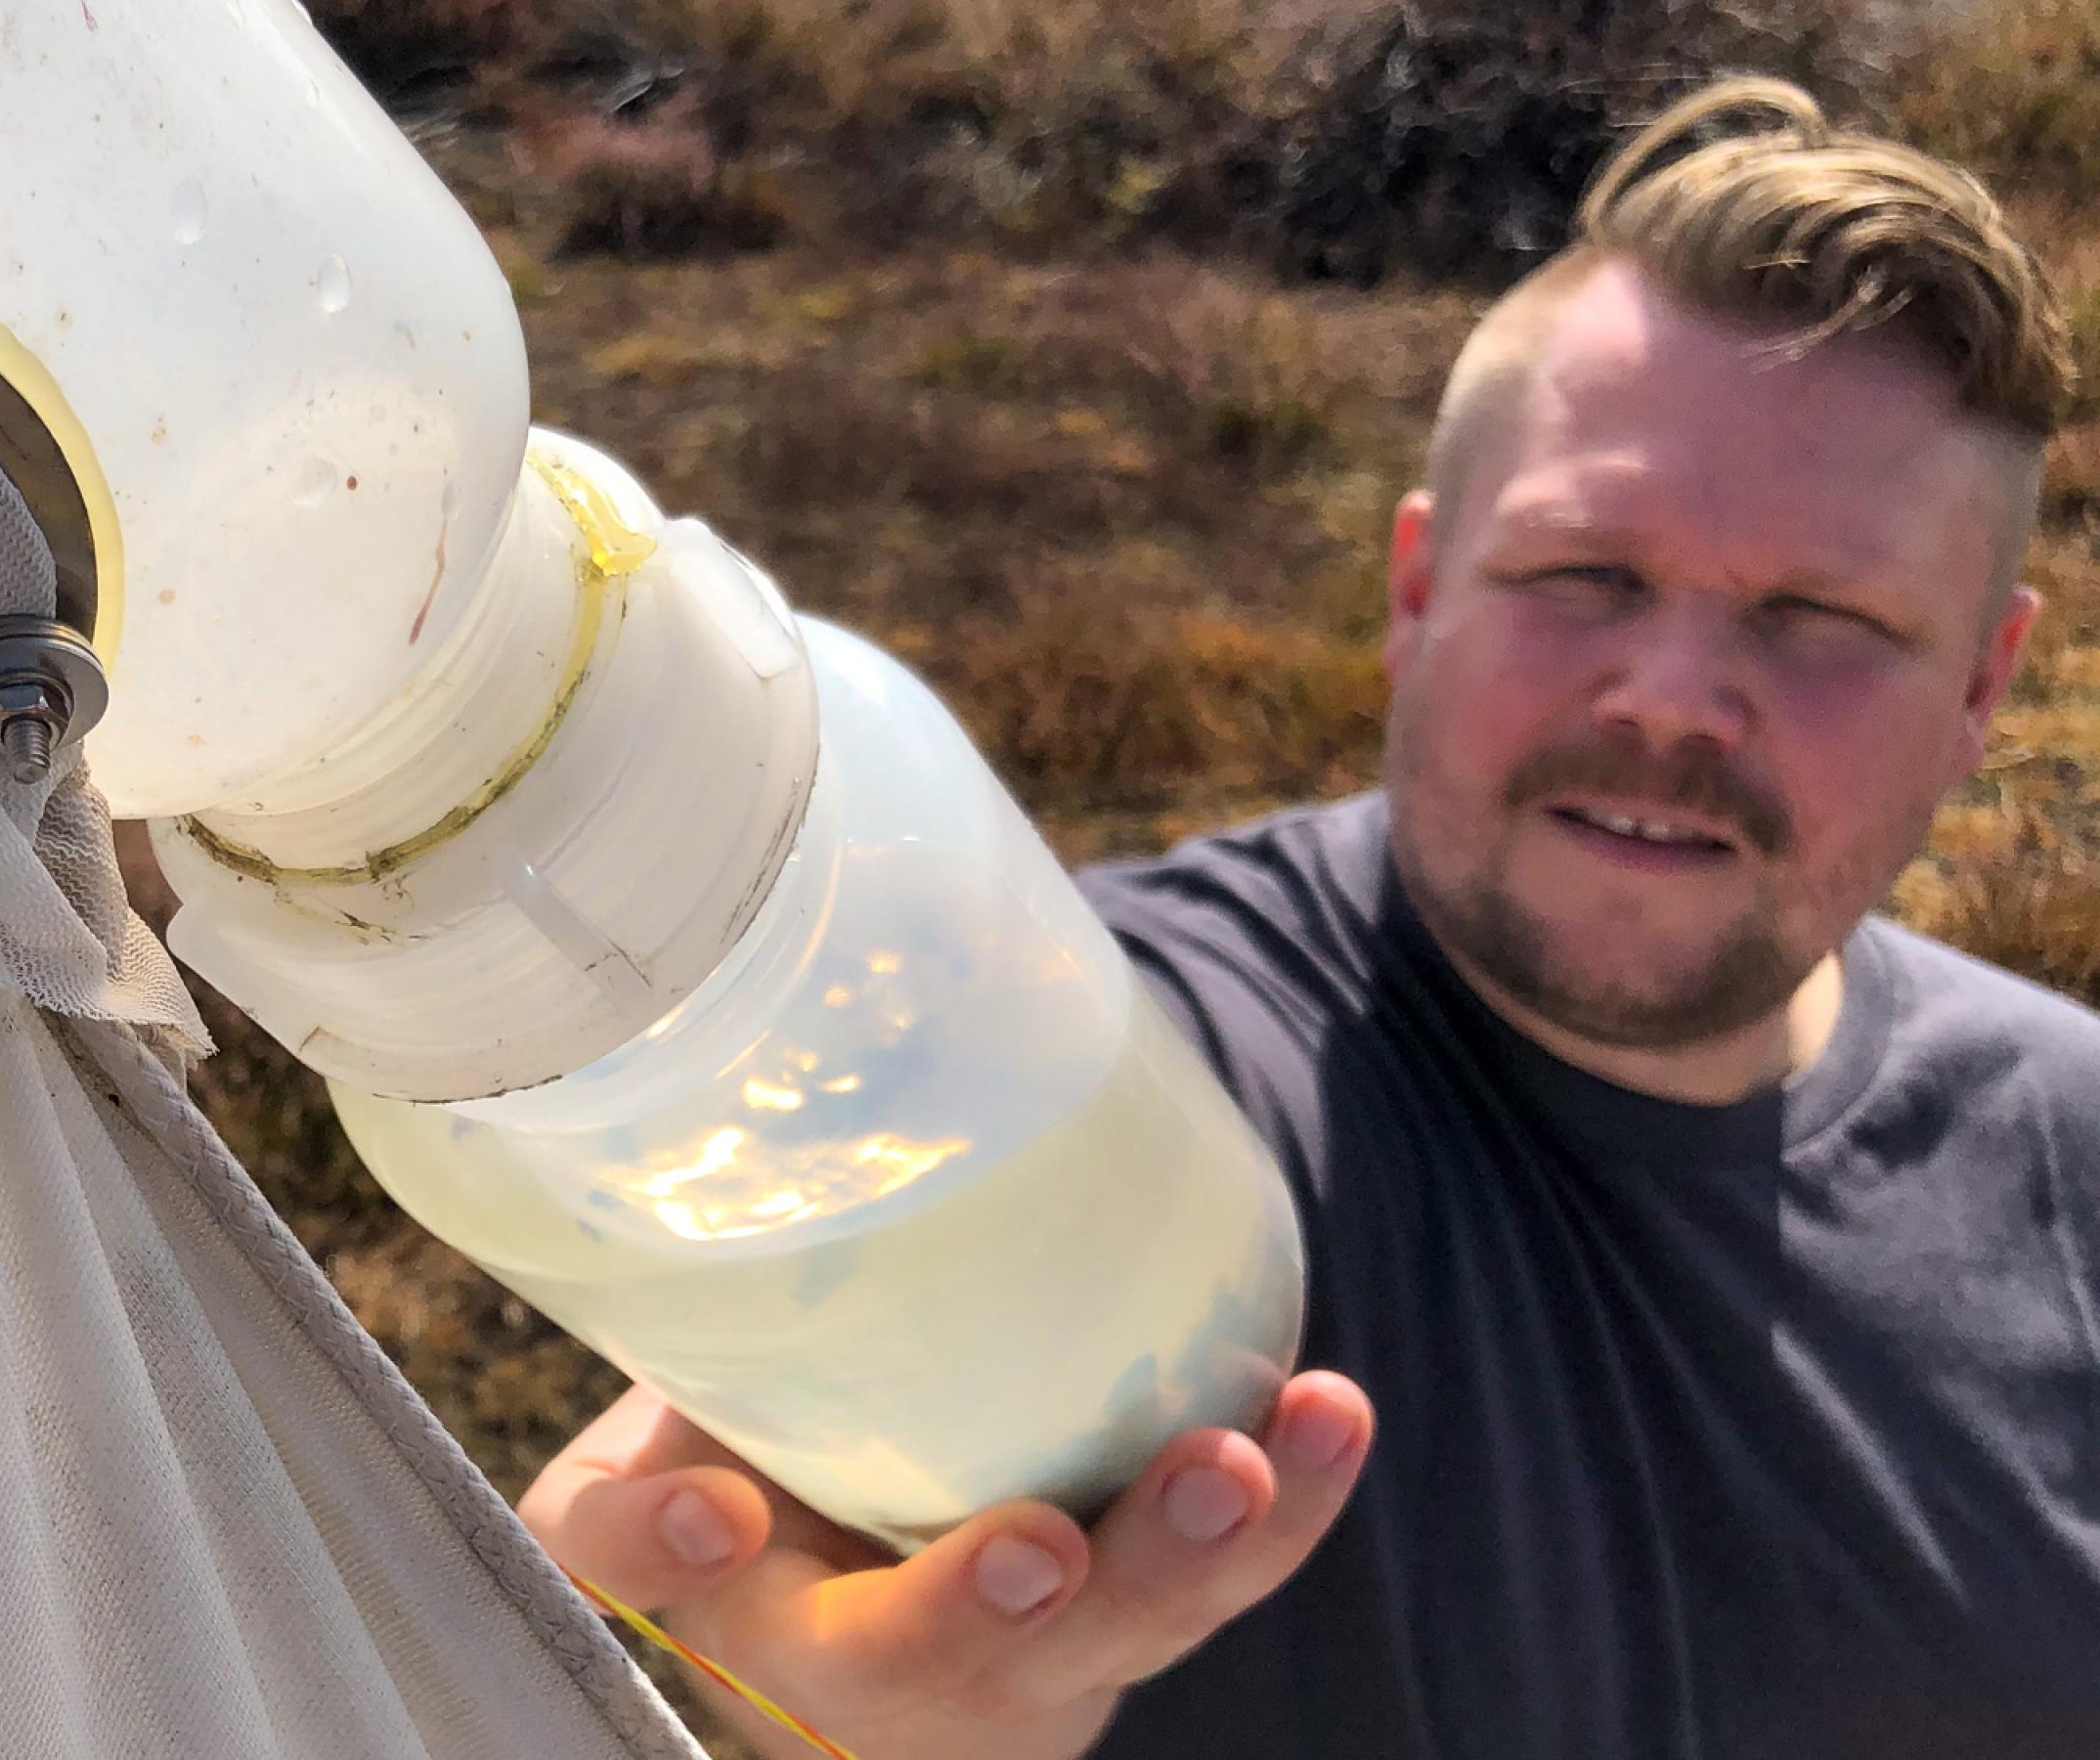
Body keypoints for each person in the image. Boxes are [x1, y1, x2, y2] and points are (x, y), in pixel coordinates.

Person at [518, 75, 2100, 1759]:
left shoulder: (2069, 1148)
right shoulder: (1157, 1052)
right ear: (1419, 590)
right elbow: (923, 1203)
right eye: (1584, 576)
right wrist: (785, 1692)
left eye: (1823, 617)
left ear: (1984, 691)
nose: (1676, 696)